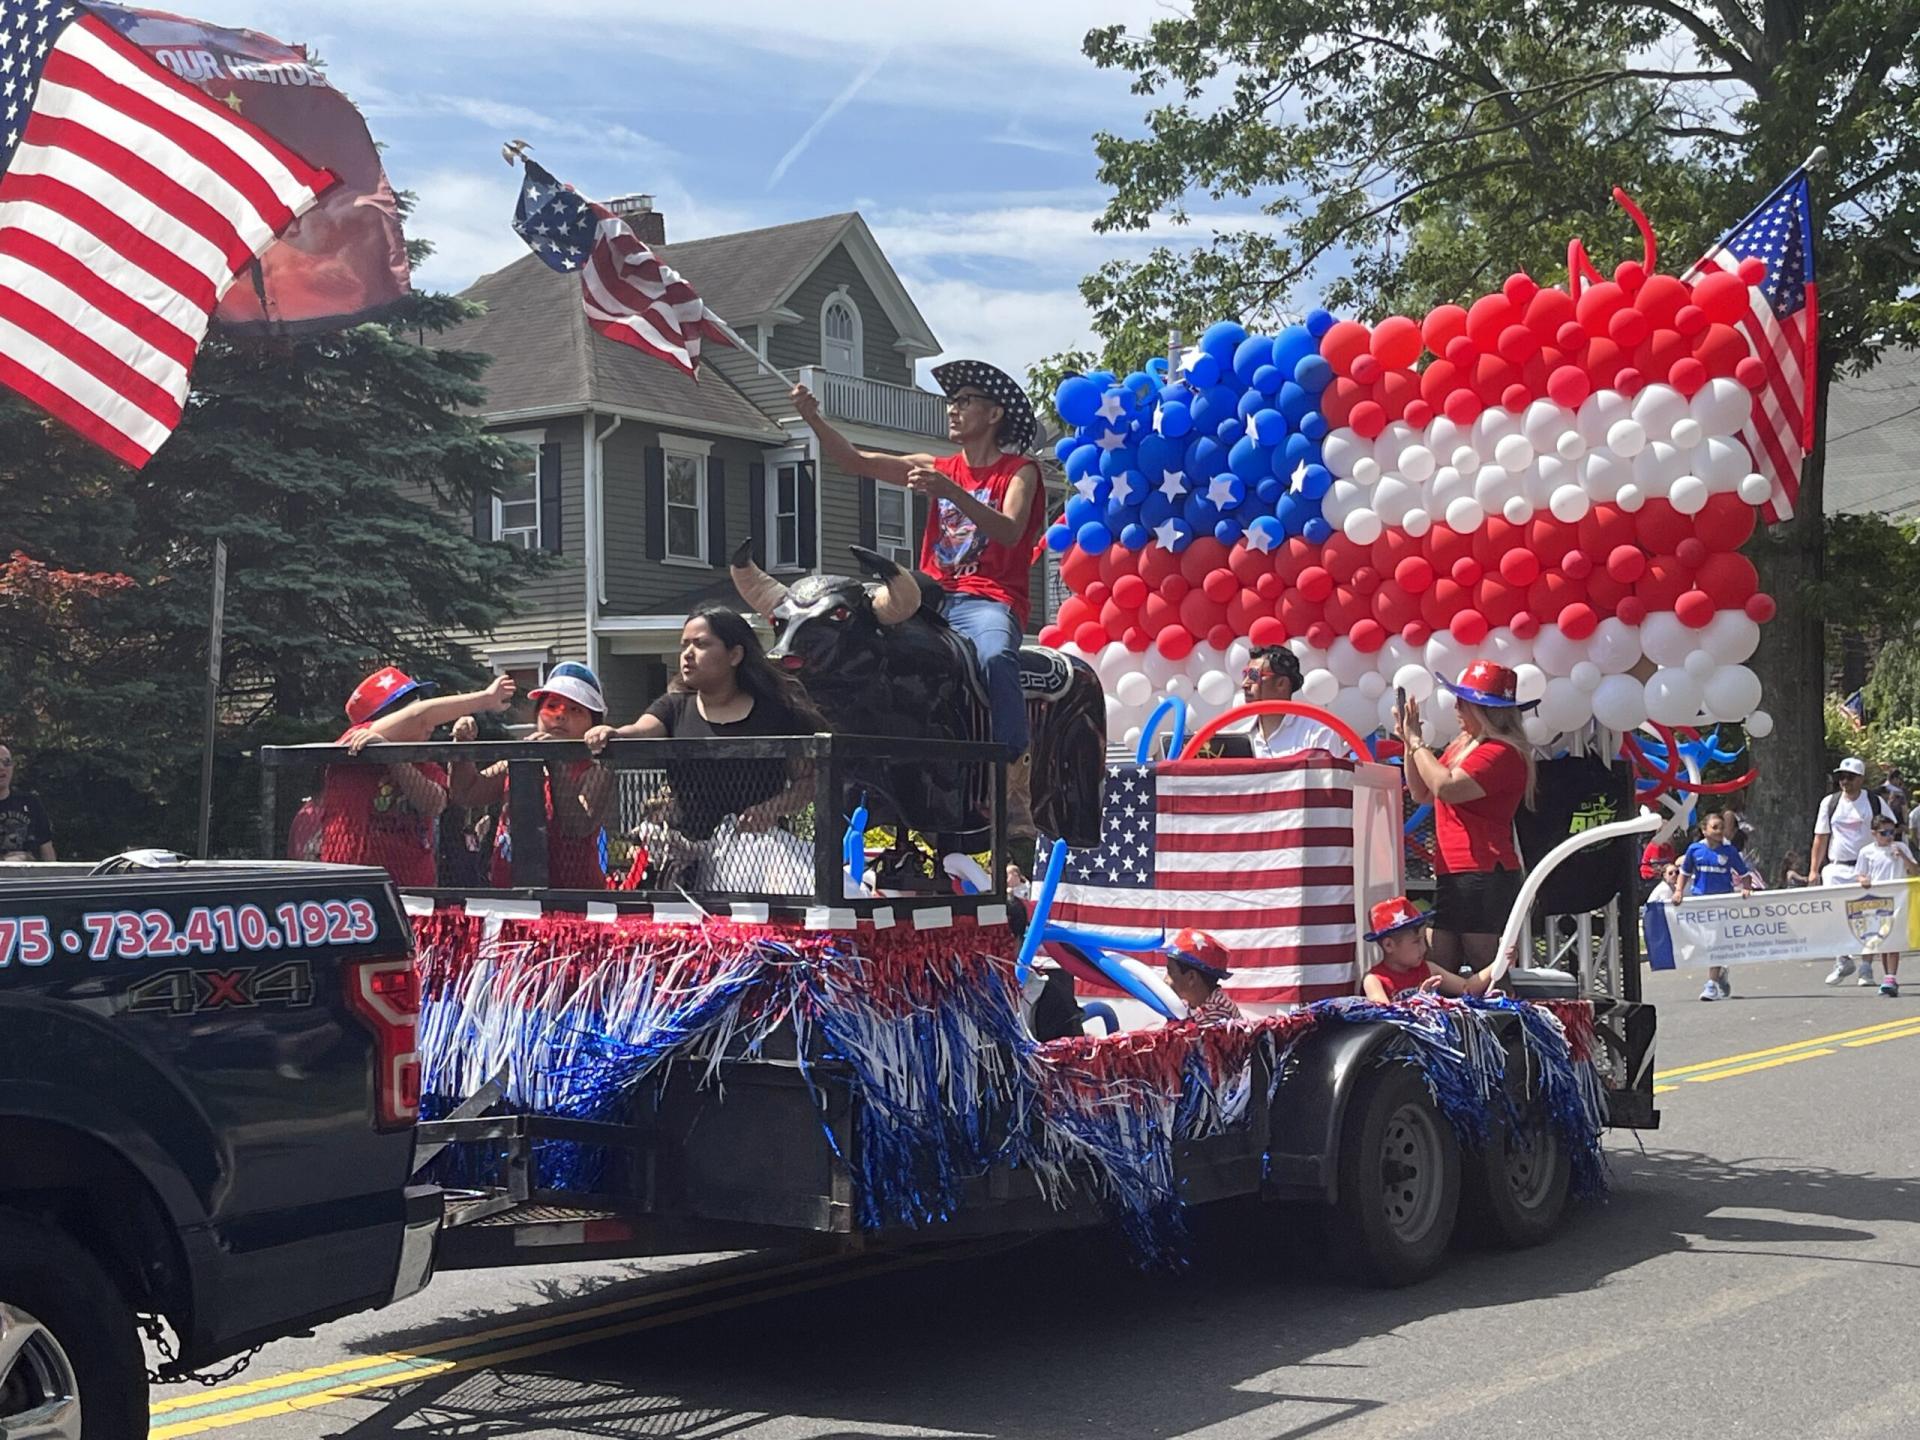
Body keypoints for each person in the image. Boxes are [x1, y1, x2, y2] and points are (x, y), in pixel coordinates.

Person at [790, 361, 1043, 758]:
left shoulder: (1020, 471)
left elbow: (1010, 530)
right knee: (856, 632)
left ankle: (1013, 769)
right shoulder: (938, 467)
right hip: (929, 596)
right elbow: (855, 462)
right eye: (950, 401)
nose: (952, 409)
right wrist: (813, 419)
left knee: (995, 657)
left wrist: (953, 492)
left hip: (988, 599)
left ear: (994, 414)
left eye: (964, 401)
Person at [584, 605, 825, 844]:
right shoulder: (673, 707)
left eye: (700, 644)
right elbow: (640, 730)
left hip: (759, 853)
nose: (688, 654)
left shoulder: (776, 712)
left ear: (735, 655)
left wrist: (772, 809)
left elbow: (807, 781)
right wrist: (612, 732)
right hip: (687, 855)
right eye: (684, 645)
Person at [1393, 660, 1536, 971]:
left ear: (1485, 710)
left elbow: (1446, 787)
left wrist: (1418, 743)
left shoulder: (1501, 752)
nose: (1455, 707)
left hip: (1482, 869)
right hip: (1457, 869)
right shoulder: (1465, 747)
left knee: (1485, 963)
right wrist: (1409, 743)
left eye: (1463, 702)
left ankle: (1512, 1020)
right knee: (1439, 963)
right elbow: (1423, 791)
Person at [320, 667, 516, 886]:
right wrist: (485, 699)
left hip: (413, 885)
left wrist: (394, 759)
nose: (431, 725)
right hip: (356, 884)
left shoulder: (419, 758)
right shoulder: (353, 741)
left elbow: (435, 804)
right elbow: (420, 718)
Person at [451, 662, 614, 889]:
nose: (560, 716)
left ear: (593, 723)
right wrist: (462, 745)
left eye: (575, 709)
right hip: (512, 892)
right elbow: (467, 793)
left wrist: (555, 761)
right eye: (552, 706)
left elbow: (577, 826)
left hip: (572, 897)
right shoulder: (516, 762)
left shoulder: (595, 771)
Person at [1813, 756, 1890, 987]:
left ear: (1861, 779)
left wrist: (1891, 857)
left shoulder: (1874, 802)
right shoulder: (1830, 803)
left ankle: (1866, 966)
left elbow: (1890, 828)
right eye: (1841, 777)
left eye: (1850, 777)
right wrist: (1813, 870)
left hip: (1868, 866)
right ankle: (1843, 959)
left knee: (1869, 916)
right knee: (1835, 915)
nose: (1844, 781)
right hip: (1837, 867)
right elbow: (1821, 836)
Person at [1674, 810, 1760, 1001]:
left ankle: (1711, 984)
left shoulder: (1729, 852)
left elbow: (1744, 874)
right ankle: (1720, 974)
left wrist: (1746, 889)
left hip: (1721, 902)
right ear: (1704, 830)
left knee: (1715, 942)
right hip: (1700, 902)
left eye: (1722, 828)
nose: (1719, 831)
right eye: (1715, 827)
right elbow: (1685, 872)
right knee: (1704, 943)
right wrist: (1679, 891)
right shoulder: (1694, 850)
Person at [1361, 897, 1498, 1001]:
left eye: (1423, 940)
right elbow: (1385, 1018)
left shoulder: (1429, 969)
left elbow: (1467, 988)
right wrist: (1420, 999)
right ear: (1388, 945)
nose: (1424, 948)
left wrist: (1498, 962)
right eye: (1416, 942)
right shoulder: (1374, 980)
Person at [1220, 646, 1345, 756]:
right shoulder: (1238, 738)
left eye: (1253, 675)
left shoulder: (1318, 734)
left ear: (1281, 684)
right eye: (1244, 675)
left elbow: (1328, 781)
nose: (1244, 684)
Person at [1853, 815, 1915, 998]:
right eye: (1884, 833)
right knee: (1882, 940)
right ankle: (1888, 977)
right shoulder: (1866, 852)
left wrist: (1902, 856)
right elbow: (1860, 874)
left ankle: (1891, 976)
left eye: (1891, 832)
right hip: (1877, 900)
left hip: (1899, 899)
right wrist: (1863, 880)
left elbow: (1914, 869)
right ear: (1874, 834)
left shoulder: (1901, 847)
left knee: (1894, 939)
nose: (1888, 836)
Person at [1162, 928, 1242, 1024]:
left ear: (1191, 977)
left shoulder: (1217, 1012)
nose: (1165, 980)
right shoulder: (1187, 1005)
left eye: (1170, 972)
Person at [0, 745, 55, 861]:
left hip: (29, 877)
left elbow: (47, 850)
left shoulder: (31, 803)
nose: (1, 767)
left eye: (6, 762)